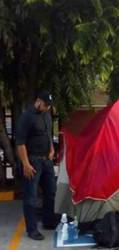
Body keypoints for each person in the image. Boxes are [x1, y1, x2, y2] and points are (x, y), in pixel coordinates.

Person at [16, 91, 57, 240]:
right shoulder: (27, 117)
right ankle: (31, 230)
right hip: (32, 161)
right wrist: (26, 164)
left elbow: (48, 134)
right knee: (31, 196)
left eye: (48, 106)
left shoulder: (46, 114)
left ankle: (49, 221)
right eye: (45, 105)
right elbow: (20, 142)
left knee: (51, 191)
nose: (47, 108)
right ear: (38, 101)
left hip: (46, 160)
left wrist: (52, 149)